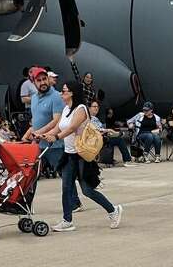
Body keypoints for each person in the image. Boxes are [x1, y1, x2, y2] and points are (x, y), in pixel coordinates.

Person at [31, 78, 122, 232]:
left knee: (87, 190)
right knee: (66, 187)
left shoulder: (81, 109)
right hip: (69, 154)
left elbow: (72, 128)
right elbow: (58, 128)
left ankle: (113, 210)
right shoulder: (66, 109)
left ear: (72, 92)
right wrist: (43, 135)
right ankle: (67, 220)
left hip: (81, 155)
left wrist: (57, 137)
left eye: (64, 90)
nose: (61, 93)